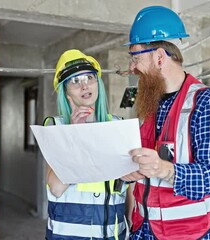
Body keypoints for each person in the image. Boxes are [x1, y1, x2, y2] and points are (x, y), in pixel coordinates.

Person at [121, 6, 210, 240]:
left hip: (190, 233)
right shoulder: (152, 103)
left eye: (136, 57)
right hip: (144, 229)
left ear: (159, 57)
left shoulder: (207, 103)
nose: (132, 68)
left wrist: (162, 168)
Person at [44, 49, 128, 240]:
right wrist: (75, 135)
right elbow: (57, 187)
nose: (84, 86)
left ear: (97, 83)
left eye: (89, 77)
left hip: (113, 234)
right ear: (65, 92)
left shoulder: (118, 126)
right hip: (69, 235)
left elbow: (126, 188)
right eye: (74, 81)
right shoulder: (55, 128)